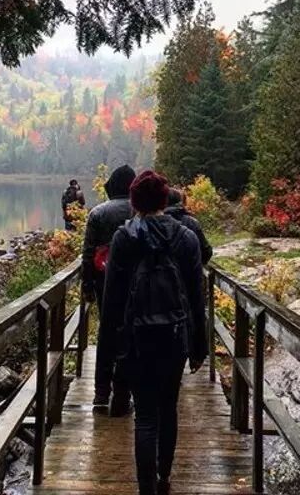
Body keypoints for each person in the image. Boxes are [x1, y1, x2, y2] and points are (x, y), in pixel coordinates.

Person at [101, 170, 207, 495]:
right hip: (174, 337)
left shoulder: (123, 239)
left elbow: (111, 301)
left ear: (134, 203)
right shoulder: (186, 238)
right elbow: (197, 298)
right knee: (168, 407)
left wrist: (107, 356)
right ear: (164, 200)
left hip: (136, 339)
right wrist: (199, 345)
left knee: (145, 416)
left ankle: (146, 488)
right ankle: (163, 478)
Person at [81, 164, 137, 412]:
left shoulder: (98, 213)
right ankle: (124, 392)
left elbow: (88, 254)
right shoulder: (139, 211)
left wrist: (87, 285)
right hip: (135, 281)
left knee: (107, 333)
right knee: (130, 333)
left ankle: (101, 392)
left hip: (104, 280)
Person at [164, 188, 213, 264]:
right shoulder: (191, 222)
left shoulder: (153, 223)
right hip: (188, 269)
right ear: (180, 201)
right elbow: (206, 251)